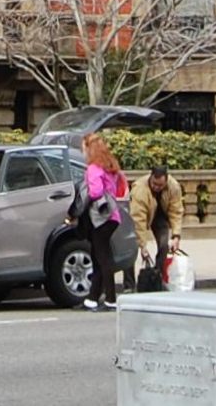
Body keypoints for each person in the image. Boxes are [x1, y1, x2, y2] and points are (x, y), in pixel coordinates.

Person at [80, 133, 127, 311]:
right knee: (98, 256)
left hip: (101, 218)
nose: (82, 151)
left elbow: (96, 192)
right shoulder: (109, 166)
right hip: (112, 216)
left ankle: (111, 299)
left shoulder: (93, 168)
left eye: (83, 148)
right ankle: (92, 299)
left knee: (103, 259)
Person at [129, 165, 184, 289]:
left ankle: (158, 276)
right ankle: (129, 285)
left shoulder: (173, 186)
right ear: (151, 177)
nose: (157, 187)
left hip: (160, 216)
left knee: (164, 245)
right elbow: (138, 220)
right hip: (142, 215)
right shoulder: (140, 190)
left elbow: (176, 211)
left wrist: (176, 235)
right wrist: (143, 246)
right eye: (154, 184)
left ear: (166, 180)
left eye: (160, 185)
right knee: (131, 249)